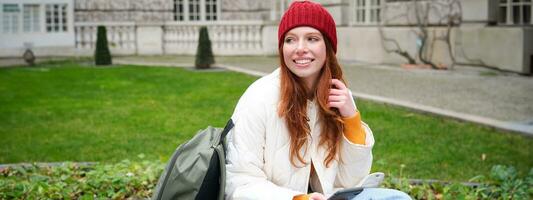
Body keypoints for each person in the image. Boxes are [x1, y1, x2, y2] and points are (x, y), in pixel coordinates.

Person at [225, 1, 411, 199]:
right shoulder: (258, 98)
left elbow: (350, 182)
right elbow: (239, 183)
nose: (300, 48)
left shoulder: (338, 96)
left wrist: (351, 121)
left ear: (328, 47)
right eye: (290, 40)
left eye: (312, 39)